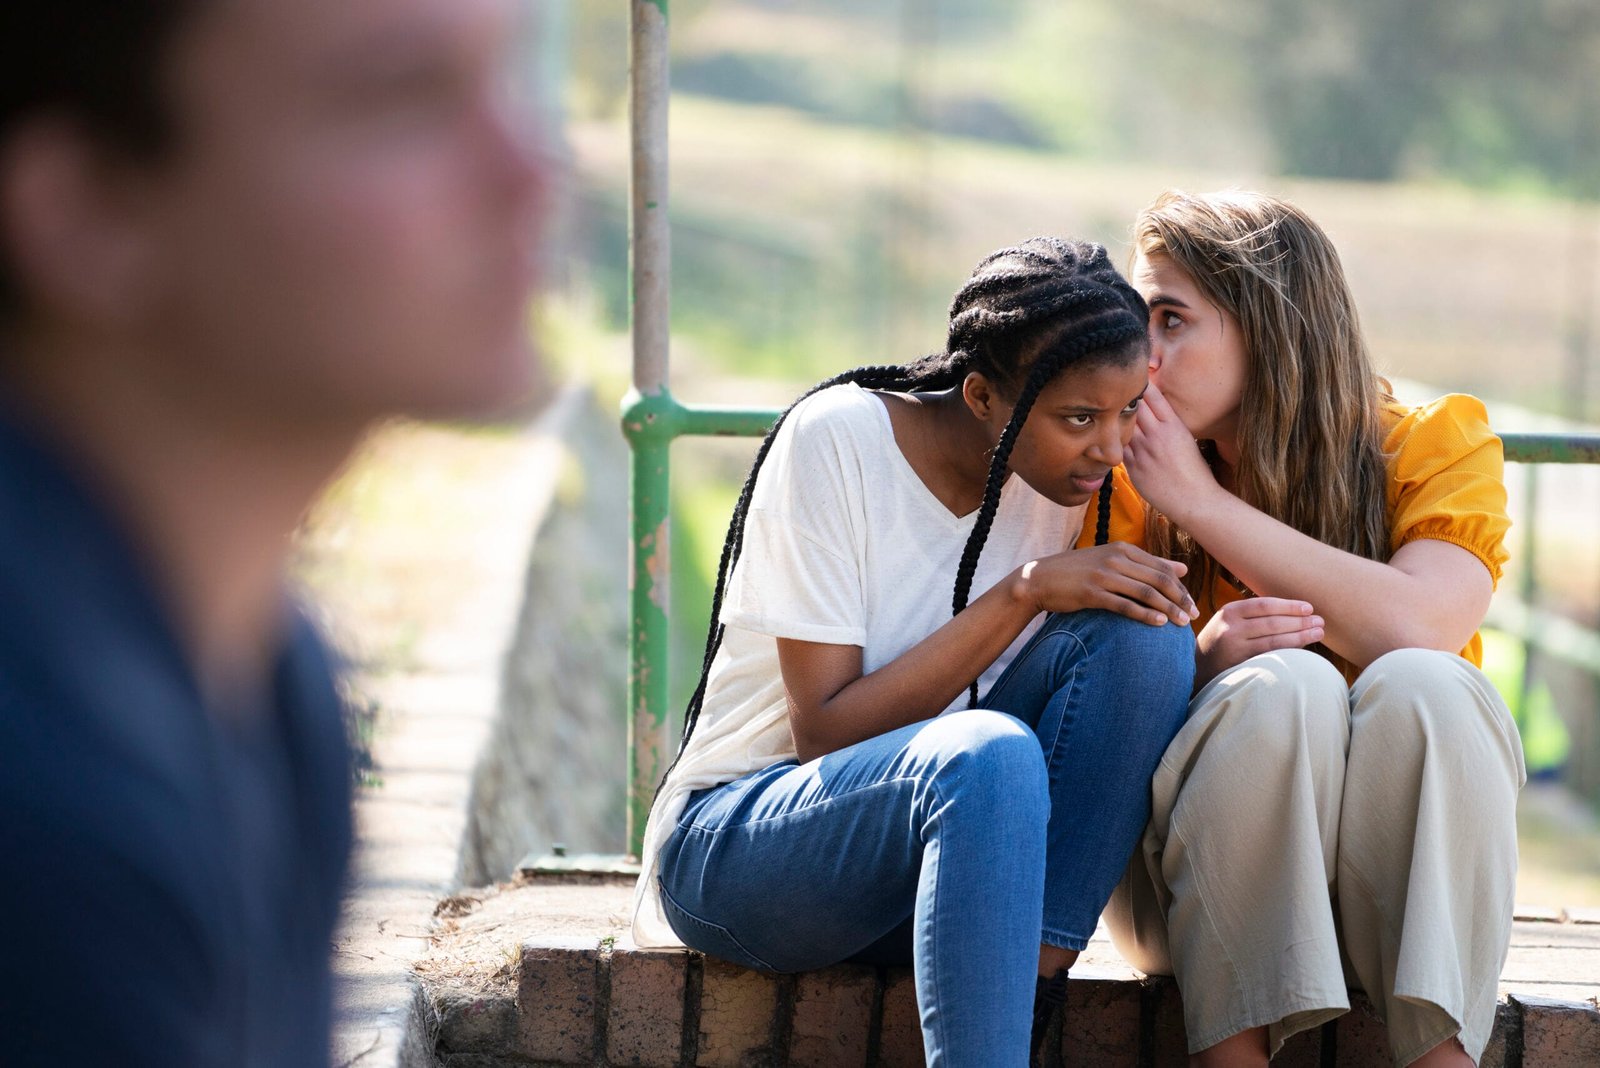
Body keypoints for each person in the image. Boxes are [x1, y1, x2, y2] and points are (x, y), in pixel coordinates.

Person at [0, 1, 550, 1063]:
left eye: (504, 75)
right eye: (399, 98)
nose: (528, 173)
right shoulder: (48, 815)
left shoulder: (270, 669)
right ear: (88, 210)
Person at [630, 238, 1199, 1066]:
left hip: (950, 868)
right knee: (989, 755)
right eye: (1079, 418)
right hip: (748, 852)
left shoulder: (1065, 484)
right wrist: (1026, 590)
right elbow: (825, 732)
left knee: (1150, 643)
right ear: (980, 396)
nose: (1110, 451)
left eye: (1126, 412)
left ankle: (1024, 1000)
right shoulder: (837, 443)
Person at [1092, 190, 1524, 1068]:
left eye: (1172, 320)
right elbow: (1087, 706)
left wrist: (1204, 507)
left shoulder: (1430, 449)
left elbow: (1422, 623)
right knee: (1282, 685)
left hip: (1393, 912)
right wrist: (1202, 663)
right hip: (1180, 894)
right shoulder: (1122, 477)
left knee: (1427, 680)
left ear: (1271, 328)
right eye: (1139, 323)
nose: (1144, 358)